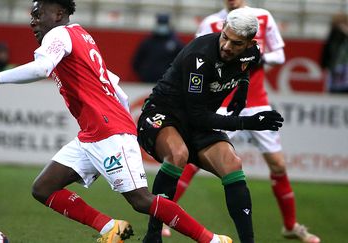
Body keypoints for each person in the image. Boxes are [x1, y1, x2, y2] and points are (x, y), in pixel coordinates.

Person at [0, 1, 232, 242]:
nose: (33, 21)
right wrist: (124, 120)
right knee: (43, 188)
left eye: (38, 13)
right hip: (95, 131)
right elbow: (116, 86)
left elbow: (41, 69)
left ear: (58, 13)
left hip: (107, 130)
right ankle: (110, 228)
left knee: (140, 200)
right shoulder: (82, 35)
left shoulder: (59, 34)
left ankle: (212, 240)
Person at [165, 1, 321, 243]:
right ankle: (166, 215)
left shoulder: (263, 18)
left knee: (278, 164)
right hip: (221, 101)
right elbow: (197, 59)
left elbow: (279, 55)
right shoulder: (211, 23)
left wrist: (249, 59)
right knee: (198, 158)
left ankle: (290, 226)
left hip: (257, 100)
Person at [137, 7, 284, 243]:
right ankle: (153, 235)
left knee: (232, 164)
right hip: (162, 114)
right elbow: (198, 116)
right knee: (178, 154)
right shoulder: (200, 56)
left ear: (248, 43)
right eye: (224, 37)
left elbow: (248, 65)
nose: (226, 46)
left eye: (236, 43)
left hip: (195, 124)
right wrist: (249, 122)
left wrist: (242, 91)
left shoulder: (251, 53)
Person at [132, 13, 184, 83]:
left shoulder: (175, 43)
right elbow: (136, 61)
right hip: (147, 81)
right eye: (160, 23)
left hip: (167, 82)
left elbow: (181, 62)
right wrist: (143, 74)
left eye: (164, 24)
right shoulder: (148, 42)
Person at [320, 13, 348, 93]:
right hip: (338, 68)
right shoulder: (335, 34)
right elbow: (329, 51)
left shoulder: (334, 35)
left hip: (339, 68)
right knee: (337, 90)